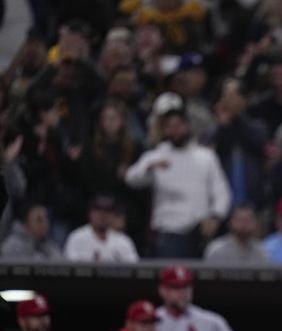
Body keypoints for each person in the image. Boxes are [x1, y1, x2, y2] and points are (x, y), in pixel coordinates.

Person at [125, 95, 231, 258]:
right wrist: (148, 168)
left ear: (187, 126)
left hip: (199, 230)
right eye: (169, 127)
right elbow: (131, 179)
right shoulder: (157, 155)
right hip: (168, 230)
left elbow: (221, 191)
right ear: (164, 130)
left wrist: (216, 216)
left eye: (178, 125)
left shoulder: (206, 156)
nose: (175, 130)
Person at [63, 193, 139, 262]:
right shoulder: (76, 238)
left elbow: (133, 268)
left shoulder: (123, 241)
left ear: (113, 215)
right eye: (98, 209)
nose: (102, 215)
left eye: (107, 210)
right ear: (90, 212)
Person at [203, 203, 267, 263]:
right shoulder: (217, 250)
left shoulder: (262, 252)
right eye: (240, 219)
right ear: (230, 222)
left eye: (248, 220)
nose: (244, 224)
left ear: (256, 223)